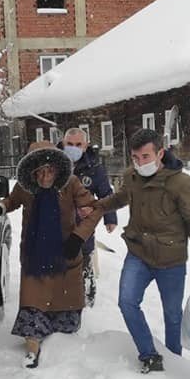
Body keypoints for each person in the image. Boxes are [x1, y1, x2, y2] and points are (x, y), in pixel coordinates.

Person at [94, 128, 190, 374]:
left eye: (145, 157)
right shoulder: (131, 176)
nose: (140, 163)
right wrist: (96, 207)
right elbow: (119, 198)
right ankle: (149, 355)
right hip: (138, 253)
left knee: (172, 315)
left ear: (160, 153)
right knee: (127, 302)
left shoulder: (180, 182)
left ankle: (174, 361)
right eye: (135, 157)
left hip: (170, 258)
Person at [0, 141, 100, 369]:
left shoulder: (72, 183)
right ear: (32, 171)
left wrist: (78, 237)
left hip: (66, 254)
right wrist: (0, 207)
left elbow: (93, 210)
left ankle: (60, 341)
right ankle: (32, 346)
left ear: (57, 168)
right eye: (40, 172)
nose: (45, 177)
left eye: (50, 171)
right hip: (35, 256)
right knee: (33, 303)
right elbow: (12, 201)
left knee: (66, 316)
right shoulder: (26, 186)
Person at [59, 127, 118, 307]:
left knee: (84, 263)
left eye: (78, 144)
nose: (74, 148)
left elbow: (106, 194)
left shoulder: (95, 168)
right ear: (63, 143)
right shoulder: (52, 163)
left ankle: (86, 301)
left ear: (85, 146)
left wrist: (110, 218)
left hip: (82, 228)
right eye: (70, 144)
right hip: (57, 226)